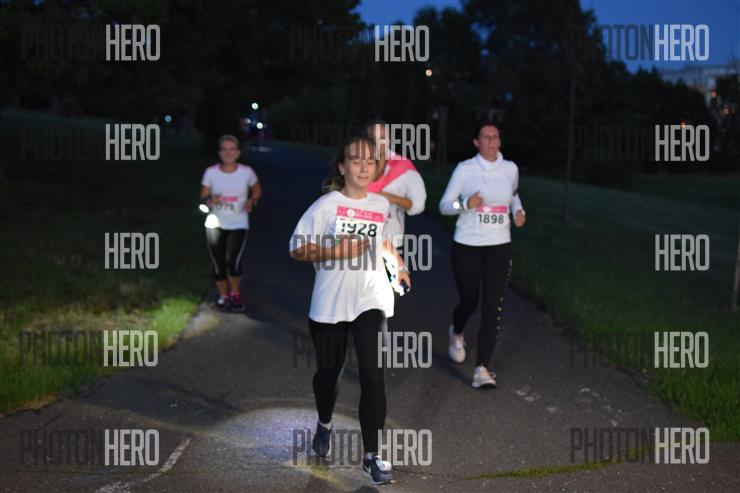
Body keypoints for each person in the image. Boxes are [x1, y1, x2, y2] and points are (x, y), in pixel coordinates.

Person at [289, 135, 410, 485]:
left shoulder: (380, 204)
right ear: (342, 167)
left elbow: (381, 240)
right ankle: (324, 423)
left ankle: (372, 457)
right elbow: (296, 248)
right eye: (355, 160)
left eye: (369, 161)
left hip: (371, 298)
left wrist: (399, 265)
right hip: (330, 303)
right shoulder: (326, 205)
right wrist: (335, 252)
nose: (363, 166)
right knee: (329, 374)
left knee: (373, 375)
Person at [438, 123, 526, 388]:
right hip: (467, 244)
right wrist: (465, 204)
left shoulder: (510, 169)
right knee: (469, 301)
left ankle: (482, 369)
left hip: (499, 245)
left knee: (492, 306)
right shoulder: (465, 170)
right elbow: (444, 205)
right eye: (486, 137)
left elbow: (513, 195)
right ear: (476, 142)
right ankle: (457, 331)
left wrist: (518, 211)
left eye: (495, 136)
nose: (491, 141)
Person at [200, 134, 261, 312]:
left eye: (232, 149)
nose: (228, 153)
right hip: (214, 223)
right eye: (224, 149)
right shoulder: (211, 172)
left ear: (238, 152)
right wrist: (210, 200)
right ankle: (223, 296)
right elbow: (203, 196)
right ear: (220, 152)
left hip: (238, 223)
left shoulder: (246, 172)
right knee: (218, 264)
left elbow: (257, 189)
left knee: (233, 263)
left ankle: (234, 293)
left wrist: (252, 201)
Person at [366, 121, 427, 248]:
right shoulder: (356, 163)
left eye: (383, 137)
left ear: (390, 139)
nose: (378, 142)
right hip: (358, 242)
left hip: (391, 242)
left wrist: (393, 198)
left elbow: (419, 205)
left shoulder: (403, 166)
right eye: (373, 138)